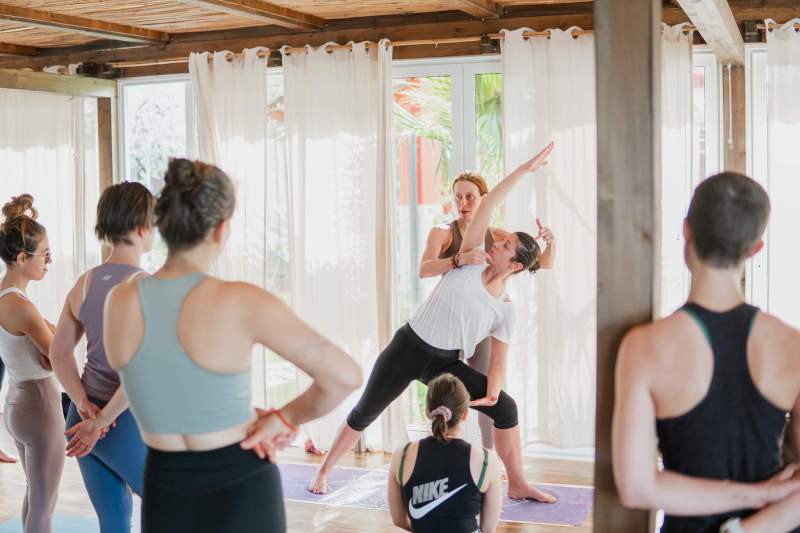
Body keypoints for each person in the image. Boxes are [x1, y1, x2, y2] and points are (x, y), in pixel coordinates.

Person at [92, 158, 361, 532]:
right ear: (221, 228)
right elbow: (344, 376)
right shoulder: (240, 301)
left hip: (164, 484)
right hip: (240, 481)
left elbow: (167, 380)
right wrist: (282, 418)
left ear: (162, 225)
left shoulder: (119, 302)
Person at [309, 142, 557, 504]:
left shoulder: (505, 309)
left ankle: (518, 483)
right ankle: (324, 469)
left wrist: (492, 392)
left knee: (506, 408)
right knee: (366, 411)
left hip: (445, 364)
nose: (498, 243)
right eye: (503, 240)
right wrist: (524, 169)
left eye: (506, 245)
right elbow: (488, 205)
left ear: (515, 265)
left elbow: (499, 361)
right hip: (407, 347)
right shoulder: (471, 258)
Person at [613, 172, 800, 533]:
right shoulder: (792, 345)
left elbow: (636, 488)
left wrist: (755, 494)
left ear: (687, 231)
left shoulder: (643, 346)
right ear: (755, 248)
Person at [418, 171, 555, 449]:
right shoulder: (443, 232)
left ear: (484, 199)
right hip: (450, 324)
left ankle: (487, 454)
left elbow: (542, 262)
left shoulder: (497, 237)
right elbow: (425, 269)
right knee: (446, 389)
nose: (463, 203)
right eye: (458, 196)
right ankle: (444, 448)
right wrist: (460, 259)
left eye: (470, 196)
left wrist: (550, 243)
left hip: (482, 323)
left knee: (485, 388)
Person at [50, 182, 155, 532]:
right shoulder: (147, 288)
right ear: (142, 228)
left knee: (114, 521)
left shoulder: (84, 283)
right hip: (121, 422)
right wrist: (101, 420)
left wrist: (83, 404)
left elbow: (59, 352)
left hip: (80, 422)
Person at [0, 194, 64, 533]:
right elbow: (58, 358)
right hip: (40, 405)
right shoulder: (22, 308)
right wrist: (54, 336)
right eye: (45, 255)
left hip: (16, 402)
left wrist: (50, 338)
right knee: (44, 506)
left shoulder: (5, 297)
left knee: (35, 494)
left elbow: (49, 349)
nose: (48, 262)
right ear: (22, 258)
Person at [388, 373, 502, 533]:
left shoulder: (401, 455)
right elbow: (488, 529)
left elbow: (398, 520)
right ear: (465, 414)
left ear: (427, 412)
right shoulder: (486, 460)